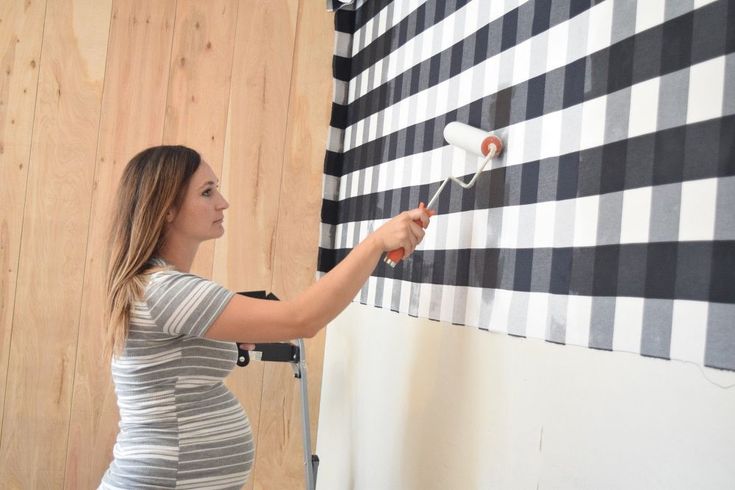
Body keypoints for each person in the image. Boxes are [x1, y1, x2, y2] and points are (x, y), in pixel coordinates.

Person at [99, 145, 430, 489]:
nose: (222, 202)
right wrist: (376, 243)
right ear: (167, 209)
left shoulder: (160, 285)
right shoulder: (166, 289)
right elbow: (303, 319)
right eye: (207, 192)